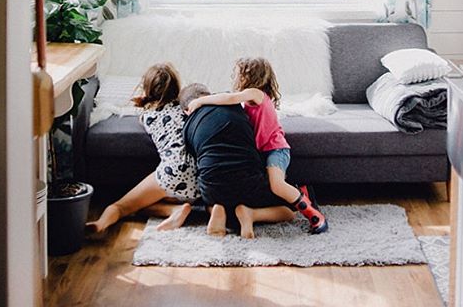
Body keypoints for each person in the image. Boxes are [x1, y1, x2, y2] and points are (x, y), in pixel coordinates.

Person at [186, 57, 328, 234]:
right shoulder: (249, 102)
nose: (234, 78)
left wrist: (201, 101)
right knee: (267, 187)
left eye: (237, 74)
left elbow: (231, 97)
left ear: (249, 76)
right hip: (262, 151)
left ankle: (314, 215)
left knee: (276, 185)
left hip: (275, 149)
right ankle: (296, 195)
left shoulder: (255, 93)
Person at [86, 64, 198, 234]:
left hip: (172, 172)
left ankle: (101, 223)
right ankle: (178, 209)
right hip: (201, 175)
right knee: (141, 204)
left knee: (121, 207)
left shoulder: (148, 116)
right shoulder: (187, 110)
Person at [179, 84, 295, 239]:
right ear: (209, 95)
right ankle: (251, 214)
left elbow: (195, 164)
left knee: (209, 195)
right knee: (288, 211)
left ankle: (216, 208)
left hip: (213, 187)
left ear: (186, 110)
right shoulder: (232, 105)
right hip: (248, 182)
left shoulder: (187, 127)